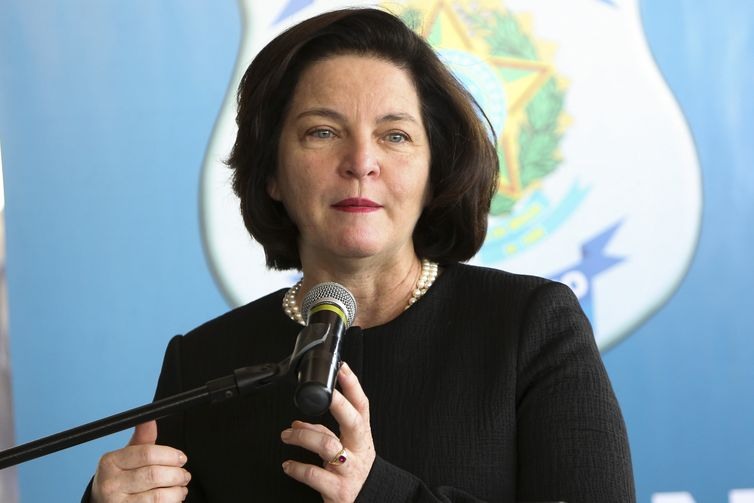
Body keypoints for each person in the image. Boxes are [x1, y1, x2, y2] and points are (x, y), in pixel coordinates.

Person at [84, 7, 635, 503]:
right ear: (272, 173)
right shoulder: (202, 363)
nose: (361, 161)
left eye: (395, 136)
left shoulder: (530, 327)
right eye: (322, 132)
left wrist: (380, 495)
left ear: (433, 170)